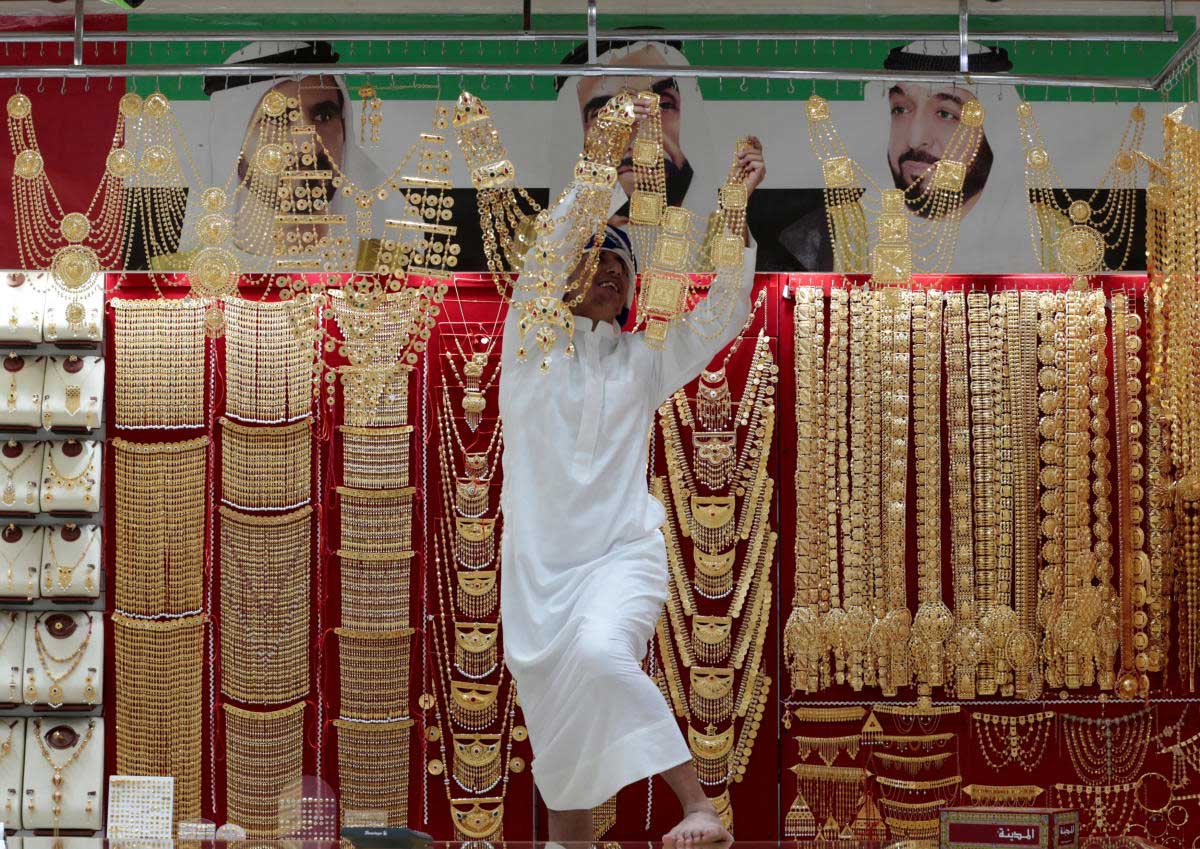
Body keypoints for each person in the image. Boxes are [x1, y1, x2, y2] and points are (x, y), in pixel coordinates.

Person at [498, 95, 764, 847]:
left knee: (599, 654)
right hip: (536, 583)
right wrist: (605, 159)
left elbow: (720, 316)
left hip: (621, 557)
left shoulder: (639, 364)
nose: (611, 270)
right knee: (562, 750)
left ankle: (702, 803)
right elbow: (549, 250)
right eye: (598, 258)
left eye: (622, 262)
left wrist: (735, 210)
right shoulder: (529, 349)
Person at [552, 39, 722, 229]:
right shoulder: (567, 245)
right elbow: (546, 254)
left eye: (663, 105)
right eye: (605, 115)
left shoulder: (711, 235)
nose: (635, 130)